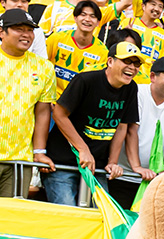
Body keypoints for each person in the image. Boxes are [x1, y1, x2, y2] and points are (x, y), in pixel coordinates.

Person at [45, 38, 142, 206]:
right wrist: (83, 149)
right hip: (62, 162)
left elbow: (122, 126)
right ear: (110, 61)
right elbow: (59, 114)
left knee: (102, 214)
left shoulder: (131, 88)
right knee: (68, 214)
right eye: (127, 61)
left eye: (136, 63)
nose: (132, 68)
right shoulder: (86, 80)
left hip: (96, 167)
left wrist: (112, 161)